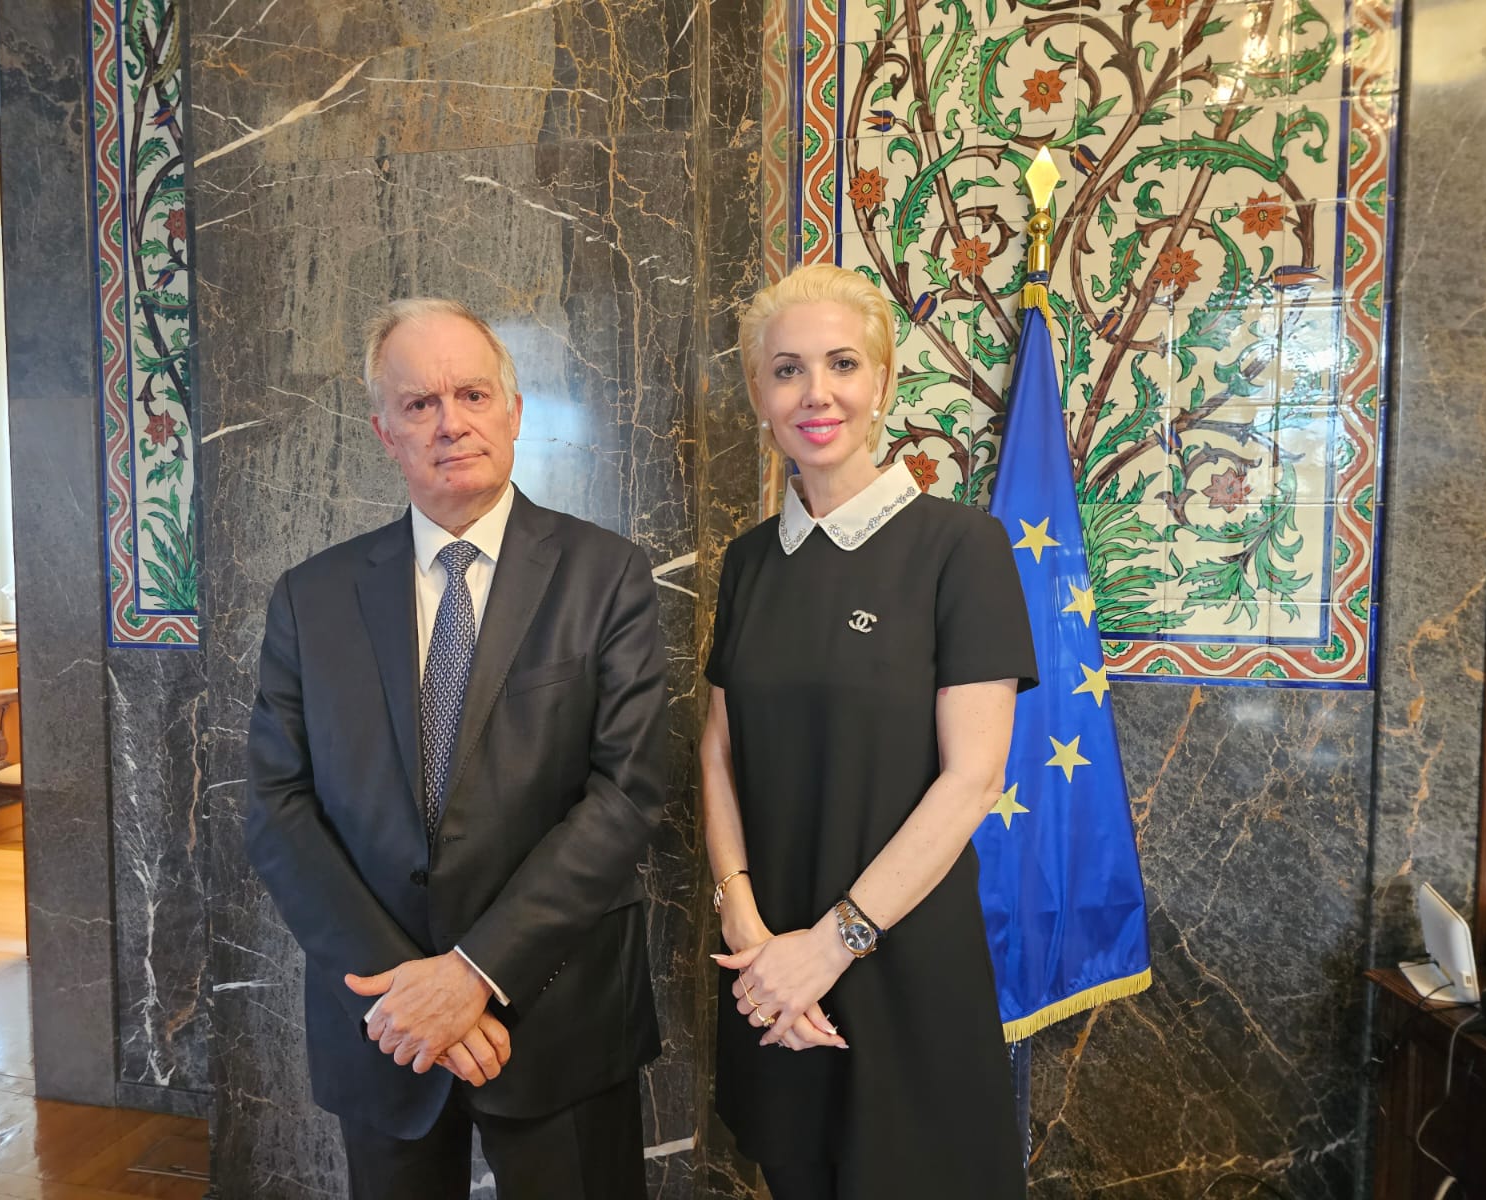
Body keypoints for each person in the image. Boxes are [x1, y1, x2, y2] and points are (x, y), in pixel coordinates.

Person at [245, 298, 667, 1200]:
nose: (450, 422)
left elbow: (626, 792)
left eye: (472, 394)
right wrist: (408, 992)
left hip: (557, 1011)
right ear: (384, 432)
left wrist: (475, 973)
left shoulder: (607, 575)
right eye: (419, 403)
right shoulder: (311, 598)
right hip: (385, 1022)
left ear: (513, 412)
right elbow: (278, 808)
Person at [700, 263, 1037, 1199]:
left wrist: (828, 947)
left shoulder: (961, 547)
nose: (816, 393)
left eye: (843, 364)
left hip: (901, 967)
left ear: (883, 382)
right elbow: (718, 748)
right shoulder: (747, 563)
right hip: (767, 970)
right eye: (787, 370)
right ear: (759, 394)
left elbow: (972, 779)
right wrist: (744, 920)